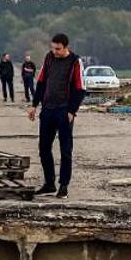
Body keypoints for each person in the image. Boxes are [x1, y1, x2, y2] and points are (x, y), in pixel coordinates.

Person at [27, 33, 84, 199]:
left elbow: (80, 89)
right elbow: (41, 82)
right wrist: (34, 105)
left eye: (58, 49)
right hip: (48, 109)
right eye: (53, 48)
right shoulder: (49, 58)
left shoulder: (75, 61)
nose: (55, 51)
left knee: (65, 150)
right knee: (44, 148)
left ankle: (63, 186)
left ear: (66, 47)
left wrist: (72, 111)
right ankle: (49, 183)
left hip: (64, 110)